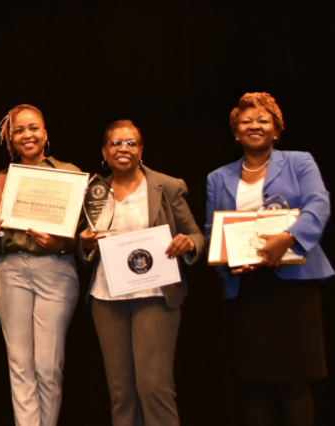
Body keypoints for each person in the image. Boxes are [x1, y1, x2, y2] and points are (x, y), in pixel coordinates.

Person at [205, 92, 331, 426]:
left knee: (296, 380)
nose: (254, 125)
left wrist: (288, 239)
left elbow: (318, 204)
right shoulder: (218, 177)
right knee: (254, 383)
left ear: (276, 130)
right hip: (247, 289)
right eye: (246, 121)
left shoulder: (299, 161)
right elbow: (211, 232)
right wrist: (229, 262)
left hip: (294, 288)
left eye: (263, 120)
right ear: (235, 132)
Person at [78, 120, 204, 426]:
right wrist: (84, 244)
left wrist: (188, 243)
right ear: (104, 152)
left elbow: (197, 237)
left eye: (131, 143)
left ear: (141, 150)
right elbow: (83, 248)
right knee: (120, 392)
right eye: (116, 143)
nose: (123, 149)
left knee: (153, 387)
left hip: (155, 296)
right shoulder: (92, 192)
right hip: (106, 298)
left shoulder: (167, 186)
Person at [0, 104, 81, 426]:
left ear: (45, 133)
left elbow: (86, 230)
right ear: (10, 137)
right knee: (19, 364)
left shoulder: (69, 174)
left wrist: (61, 242)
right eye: (19, 130)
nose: (27, 135)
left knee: (49, 366)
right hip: (10, 271)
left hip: (56, 270)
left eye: (33, 128)